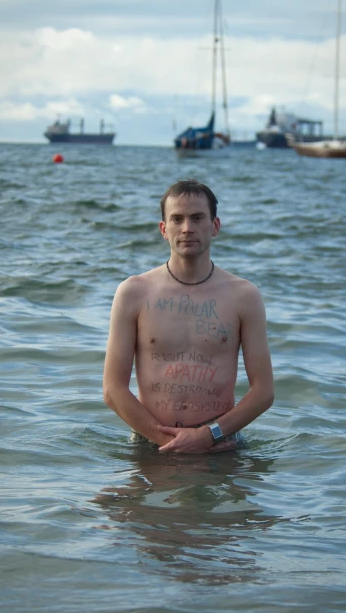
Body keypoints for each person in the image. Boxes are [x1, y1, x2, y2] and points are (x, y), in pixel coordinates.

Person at [103, 179, 274, 454]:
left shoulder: (244, 296)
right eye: (177, 219)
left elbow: (263, 392)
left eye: (197, 218)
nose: (187, 228)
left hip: (221, 444)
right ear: (164, 229)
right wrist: (171, 444)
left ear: (215, 226)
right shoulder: (133, 293)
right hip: (151, 443)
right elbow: (113, 390)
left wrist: (209, 436)